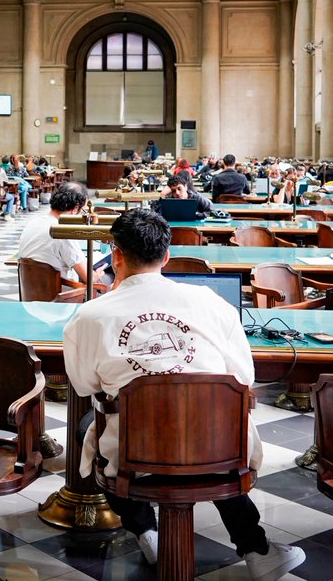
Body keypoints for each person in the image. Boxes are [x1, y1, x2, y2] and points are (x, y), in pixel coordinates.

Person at [63, 209, 306, 578]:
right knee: (211, 426)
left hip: (134, 453)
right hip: (217, 450)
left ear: (116, 256)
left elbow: (84, 385)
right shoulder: (211, 302)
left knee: (88, 427)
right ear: (166, 257)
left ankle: (145, 530)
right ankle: (257, 550)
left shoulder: (90, 314)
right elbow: (244, 375)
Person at [18, 182, 98, 292]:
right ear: (75, 209)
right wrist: (97, 274)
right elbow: (89, 278)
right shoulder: (63, 233)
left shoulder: (32, 223)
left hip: (30, 295)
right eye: (83, 211)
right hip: (62, 298)